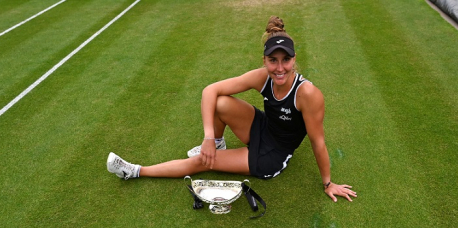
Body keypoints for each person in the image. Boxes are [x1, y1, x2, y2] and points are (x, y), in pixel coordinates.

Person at [106, 16, 356, 203]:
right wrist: (208, 138)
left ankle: (135, 171)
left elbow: (318, 142)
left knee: (201, 163)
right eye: (273, 60)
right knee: (220, 102)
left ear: (294, 59)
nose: (279, 68)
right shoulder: (263, 77)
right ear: (265, 61)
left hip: (273, 154)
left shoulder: (308, 95)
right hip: (262, 128)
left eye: (285, 60)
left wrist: (328, 183)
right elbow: (209, 91)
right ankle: (218, 143)